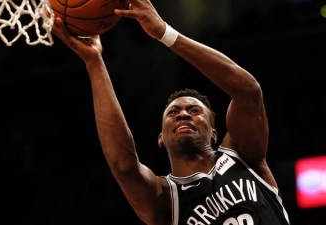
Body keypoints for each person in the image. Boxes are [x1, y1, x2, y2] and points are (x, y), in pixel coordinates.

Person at [52, 0, 290, 224]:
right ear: (161, 138)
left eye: (195, 111)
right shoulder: (164, 197)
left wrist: (165, 33)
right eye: (173, 112)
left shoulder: (244, 158)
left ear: (214, 134)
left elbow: (249, 93)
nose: (183, 114)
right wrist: (94, 63)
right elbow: (125, 166)